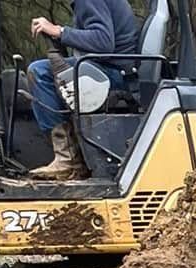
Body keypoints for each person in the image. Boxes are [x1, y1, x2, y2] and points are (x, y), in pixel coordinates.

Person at [26, 0, 141, 180]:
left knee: (39, 72)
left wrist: (59, 31)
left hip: (112, 73)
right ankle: (74, 155)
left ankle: (68, 160)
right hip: (116, 70)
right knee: (51, 70)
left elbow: (104, 42)